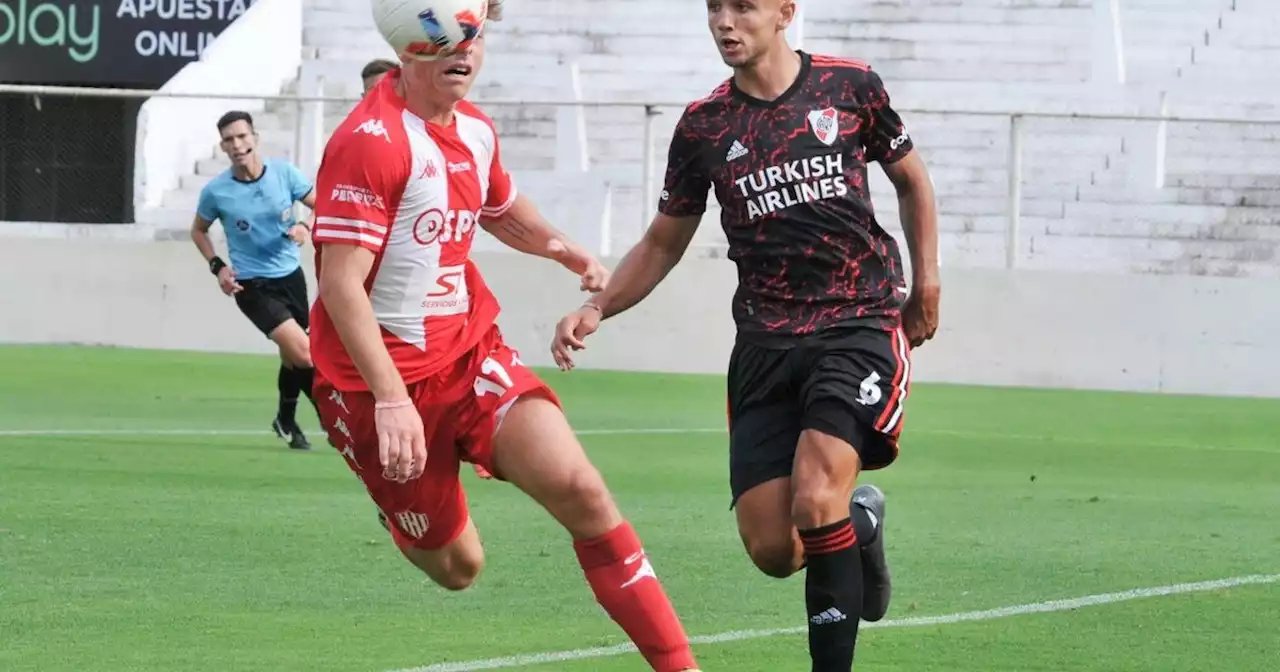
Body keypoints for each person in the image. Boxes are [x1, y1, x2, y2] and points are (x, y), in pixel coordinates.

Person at [306, 14, 702, 672]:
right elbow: (341, 286)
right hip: (374, 388)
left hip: (470, 357)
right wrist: (392, 398)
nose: (465, 54)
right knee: (459, 568)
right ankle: (399, 511)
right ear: (407, 47)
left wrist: (562, 249)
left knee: (584, 490)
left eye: (475, 40)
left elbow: (500, 208)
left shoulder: (475, 131)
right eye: (447, 42)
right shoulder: (369, 143)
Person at [551, 0, 941, 668]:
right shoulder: (704, 125)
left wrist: (927, 280)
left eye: (744, 7)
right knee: (774, 550)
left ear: (785, 11)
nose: (725, 22)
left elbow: (912, 181)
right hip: (765, 344)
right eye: (715, 8)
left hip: (858, 322)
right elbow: (664, 241)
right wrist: (598, 307)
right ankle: (864, 525)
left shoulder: (850, 87)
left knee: (818, 497)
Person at [191, 110, 323, 451]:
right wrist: (218, 266)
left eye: (242, 137)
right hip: (251, 286)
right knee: (307, 354)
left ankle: (285, 419)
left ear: (255, 138)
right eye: (229, 140)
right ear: (222, 146)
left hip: (291, 278)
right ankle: (334, 417)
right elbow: (199, 230)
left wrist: (305, 226)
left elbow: (319, 204)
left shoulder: (283, 174)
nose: (237, 145)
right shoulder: (217, 191)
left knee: (292, 356)